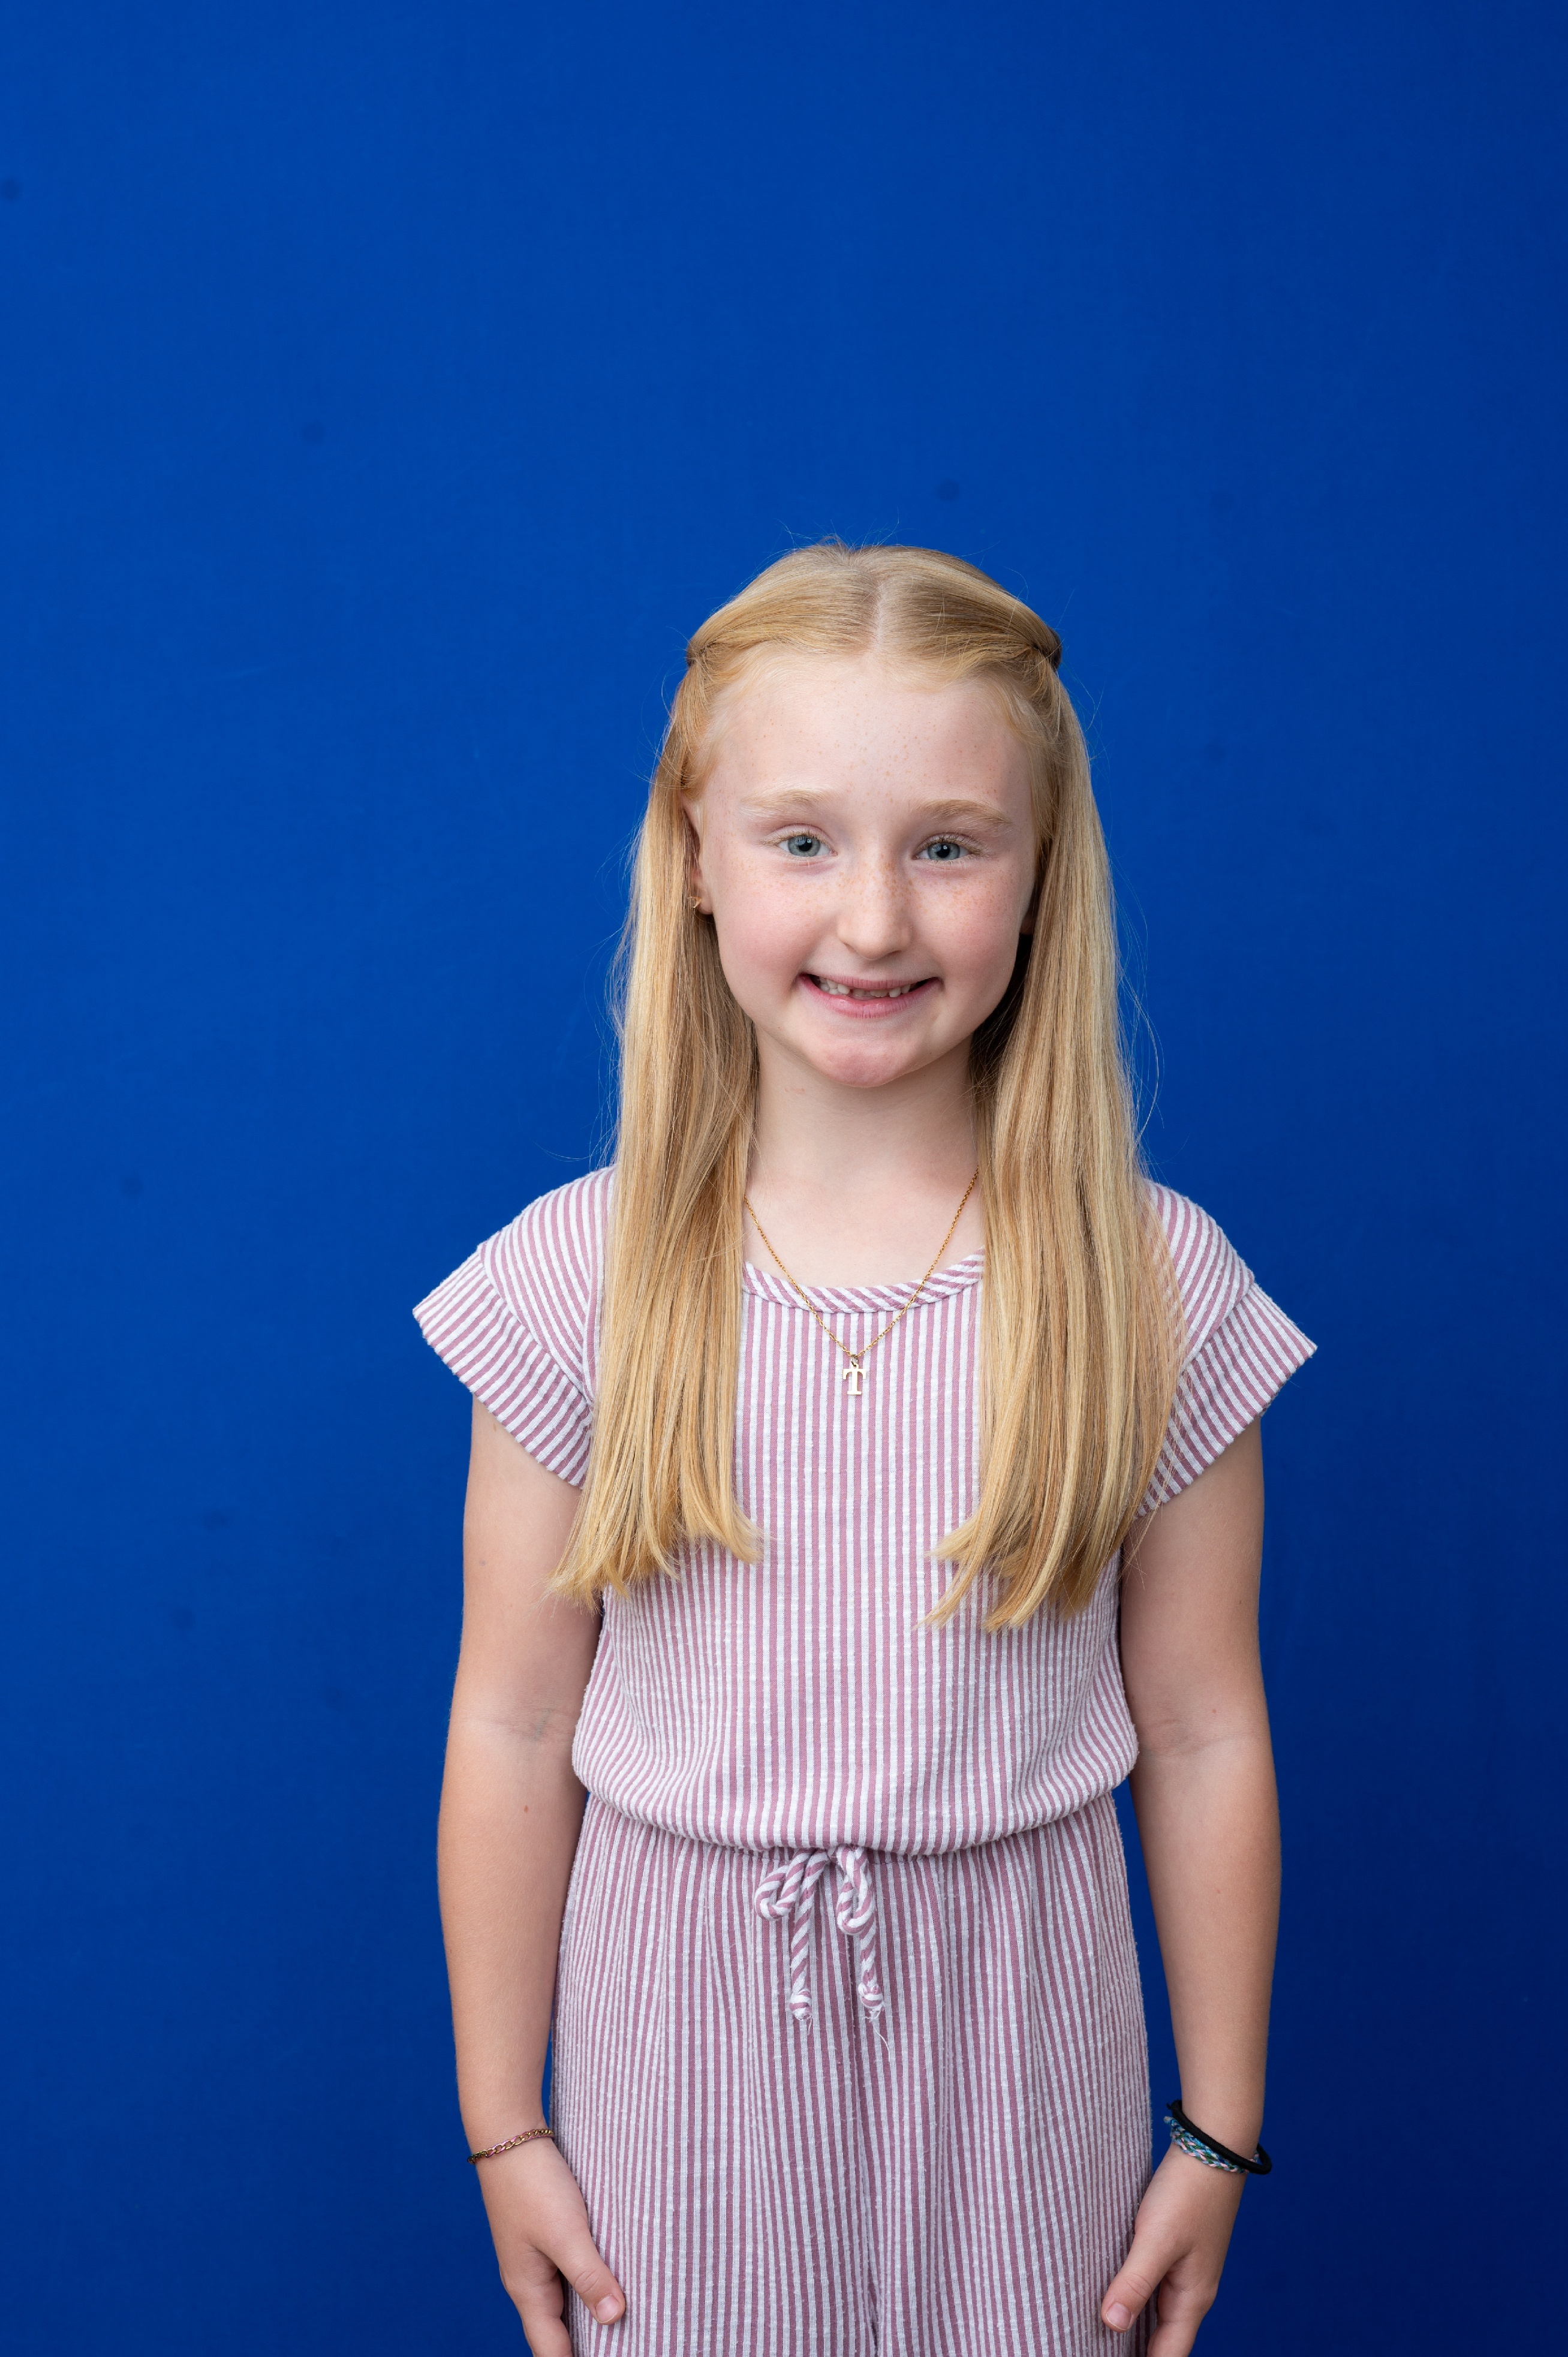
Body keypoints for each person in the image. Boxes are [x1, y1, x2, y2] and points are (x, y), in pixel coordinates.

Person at [416, 541, 1313, 2357]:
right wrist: (505, 2121)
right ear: (695, 856)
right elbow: (509, 1719)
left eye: (950, 846)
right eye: (806, 840)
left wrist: (1218, 2127)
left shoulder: (1150, 1284)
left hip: (1027, 2043)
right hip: (679, 2048)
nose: (877, 920)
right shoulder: (579, 1277)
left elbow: (1207, 1727)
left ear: (1044, 874)